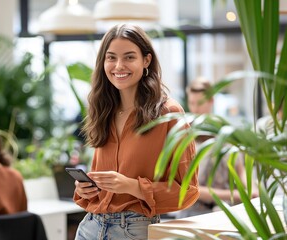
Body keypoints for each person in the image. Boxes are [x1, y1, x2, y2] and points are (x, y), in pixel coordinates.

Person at [73, 24, 199, 240]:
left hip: (133, 230)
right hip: (90, 227)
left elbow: (188, 191)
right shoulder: (104, 109)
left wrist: (131, 186)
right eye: (111, 57)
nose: (119, 66)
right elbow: (99, 176)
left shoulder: (168, 113)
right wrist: (85, 189)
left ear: (146, 60)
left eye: (129, 57)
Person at [176, 77, 258, 218]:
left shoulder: (225, 134)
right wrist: (237, 195)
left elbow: (241, 172)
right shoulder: (184, 138)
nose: (195, 109)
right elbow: (188, 189)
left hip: (224, 213)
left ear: (211, 101)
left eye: (200, 103)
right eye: (192, 103)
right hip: (192, 214)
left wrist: (253, 191)